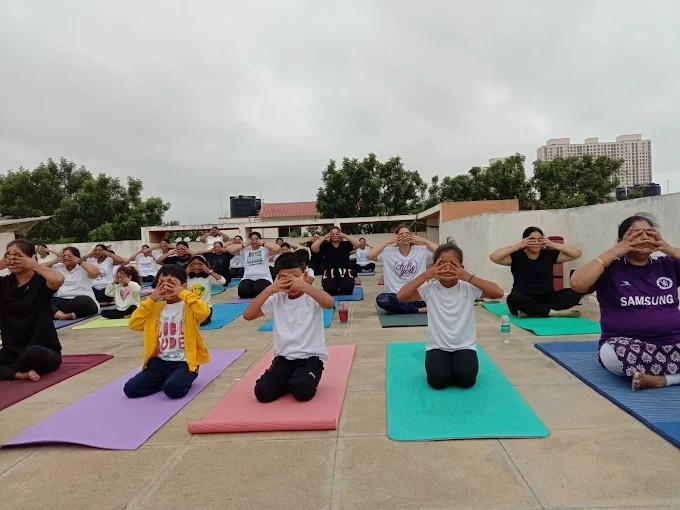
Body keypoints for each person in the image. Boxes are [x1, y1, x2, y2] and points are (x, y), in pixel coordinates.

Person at [571, 214, 680, 391]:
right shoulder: (610, 267)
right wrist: (614, 251)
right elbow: (577, 284)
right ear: (621, 240)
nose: (644, 237)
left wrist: (668, 248)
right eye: (636, 234)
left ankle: (663, 379)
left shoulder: (667, 263)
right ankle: (669, 375)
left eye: (649, 233)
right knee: (612, 354)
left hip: (674, 342)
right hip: (629, 346)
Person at [397, 244, 504, 389]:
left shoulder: (469, 288)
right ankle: (446, 369)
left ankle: (455, 368)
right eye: (442, 264)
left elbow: (498, 293)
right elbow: (401, 296)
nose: (447, 268)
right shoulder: (430, 289)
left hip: (464, 346)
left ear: (461, 267)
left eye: (453, 264)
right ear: (434, 266)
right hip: (437, 347)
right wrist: (426, 275)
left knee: (466, 381)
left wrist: (467, 277)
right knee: (437, 381)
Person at [243, 253, 335, 402]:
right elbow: (248, 315)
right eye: (284, 277)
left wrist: (303, 285)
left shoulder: (311, 296)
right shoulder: (276, 299)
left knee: (302, 390)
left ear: (305, 275)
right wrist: (269, 290)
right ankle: (287, 378)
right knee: (262, 393)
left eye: (295, 276)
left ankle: (298, 378)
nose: (291, 282)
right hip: (283, 359)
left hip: (310, 358)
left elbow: (329, 303)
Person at [123, 264, 211, 399]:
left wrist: (183, 293)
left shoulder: (189, 307)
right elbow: (134, 324)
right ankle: (164, 379)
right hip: (159, 362)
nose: (166, 287)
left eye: (171, 283)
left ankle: (179, 378)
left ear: (184, 286)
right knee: (130, 389)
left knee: (173, 390)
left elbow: (204, 311)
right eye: (161, 283)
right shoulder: (155, 308)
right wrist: (151, 299)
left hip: (184, 362)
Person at [0, 240, 65, 381]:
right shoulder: (4, 284)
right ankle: (18, 373)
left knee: (33, 353)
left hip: (42, 351)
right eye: (8, 255)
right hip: (11, 352)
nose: (12, 259)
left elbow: (58, 280)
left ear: (32, 257)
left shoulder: (40, 281)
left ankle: (8, 371)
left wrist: (34, 265)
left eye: (18, 255)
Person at [489, 226, 583, 317]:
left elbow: (577, 254)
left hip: (547, 298)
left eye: (539, 239)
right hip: (524, 297)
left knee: (573, 294)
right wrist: (518, 245)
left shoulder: (549, 254)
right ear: (525, 240)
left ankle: (532, 312)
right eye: (532, 239)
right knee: (513, 299)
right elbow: (494, 257)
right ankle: (554, 313)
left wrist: (551, 244)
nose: (536, 242)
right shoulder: (516, 256)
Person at [368, 226, 438, 314]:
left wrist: (423, 241)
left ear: (412, 236)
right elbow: (369, 255)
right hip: (396, 296)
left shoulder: (422, 250)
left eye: (408, 234)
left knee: (438, 295)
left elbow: (441, 251)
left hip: (418, 296)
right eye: (401, 234)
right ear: (395, 237)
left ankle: (398, 308)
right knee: (382, 299)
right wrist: (388, 241)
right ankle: (420, 310)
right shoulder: (388, 252)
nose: (404, 236)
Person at [46, 247, 100, 319]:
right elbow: (38, 269)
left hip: (81, 300)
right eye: (64, 256)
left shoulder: (84, 267)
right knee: (42, 301)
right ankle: (62, 315)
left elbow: (96, 272)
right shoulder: (58, 267)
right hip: (62, 299)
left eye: (69, 256)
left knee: (83, 301)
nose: (66, 258)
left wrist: (79, 261)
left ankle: (56, 313)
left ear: (76, 257)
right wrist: (55, 261)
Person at [227, 232, 281, 298]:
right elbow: (229, 249)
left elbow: (277, 248)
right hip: (248, 277)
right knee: (242, 293)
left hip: (263, 277)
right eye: (252, 239)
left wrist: (263, 243)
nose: (254, 241)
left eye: (256, 239)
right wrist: (244, 245)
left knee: (259, 291)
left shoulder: (264, 249)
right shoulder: (245, 250)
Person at [312, 227, 362, 296]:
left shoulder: (346, 244)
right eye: (332, 234)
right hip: (330, 272)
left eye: (337, 233)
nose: (335, 235)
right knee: (330, 291)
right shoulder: (326, 245)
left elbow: (358, 244)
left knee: (347, 290)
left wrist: (345, 235)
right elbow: (313, 248)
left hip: (344, 271)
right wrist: (325, 237)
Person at [186, 254, 226, 326]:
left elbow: (222, 281)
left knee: (200, 322)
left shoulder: (208, 278)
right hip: (191, 307)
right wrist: (185, 272)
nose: (196, 267)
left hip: (205, 307)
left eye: (200, 264)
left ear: (205, 265)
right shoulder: (187, 278)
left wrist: (209, 271)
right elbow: (178, 283)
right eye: (193, 264)